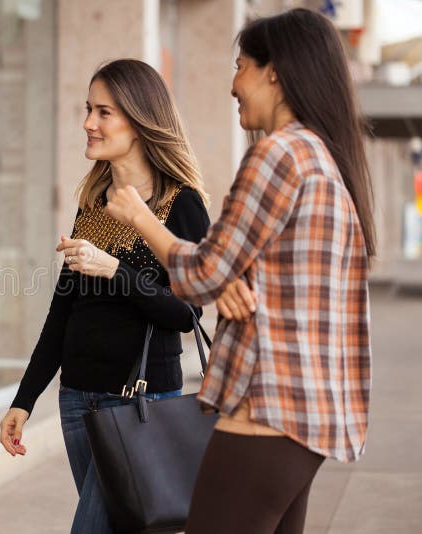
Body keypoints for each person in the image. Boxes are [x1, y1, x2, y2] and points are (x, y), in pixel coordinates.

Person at [105, 9, 374, 534]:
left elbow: (202, 273)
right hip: (310, 414)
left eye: (241, 66)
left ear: (274, 72)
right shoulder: (324, 158)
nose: (233, 84)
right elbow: (266, 274)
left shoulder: (279, 154)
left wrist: (140, 216)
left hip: (268, 407)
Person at [0, 59, 211, 533]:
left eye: (103, 112)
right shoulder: (93, 202)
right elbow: (62, 312)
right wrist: (24, 399)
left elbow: (187, 312)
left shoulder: (182, 203)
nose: (88, 123)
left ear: (138, 120)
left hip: (140, 403)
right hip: (77, 400)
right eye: (87, 109)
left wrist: (115, 269)